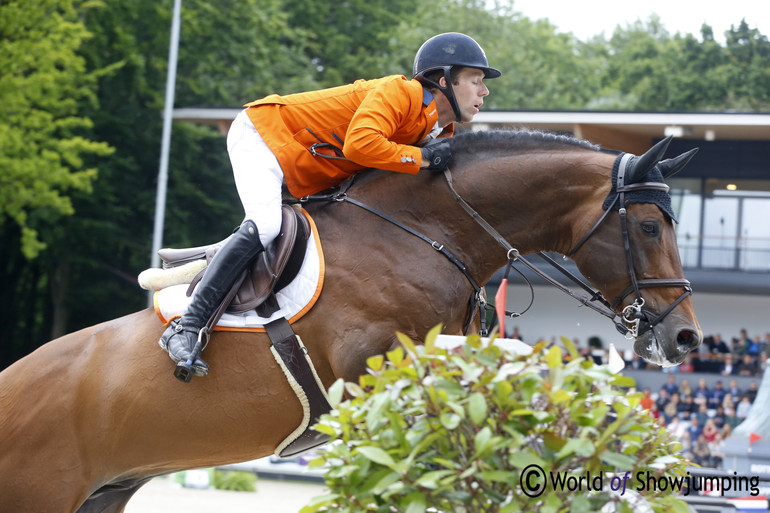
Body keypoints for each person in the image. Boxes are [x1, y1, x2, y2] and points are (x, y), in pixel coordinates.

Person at [158, 32, 501, 379]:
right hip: (266, 135)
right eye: (475, 81)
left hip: (308, 172)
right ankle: (186, 327)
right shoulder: (402, 93)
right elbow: (360, 145)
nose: (484, 91)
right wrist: (424, 160)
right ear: (443, 80)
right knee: (265, 225)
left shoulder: (441, 131)